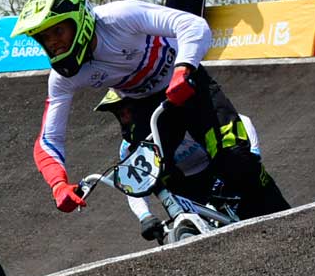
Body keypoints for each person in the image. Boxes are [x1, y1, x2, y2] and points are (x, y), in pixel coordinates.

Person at [12, 0, 288, 220]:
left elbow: (192, 25)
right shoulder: (63, 77)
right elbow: (48, 139)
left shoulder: (121, 16)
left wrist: (184, 68)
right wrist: (58, 184)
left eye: (58, 31)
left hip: (187, 83)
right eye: (44, 38)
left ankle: (282, 214)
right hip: (145, 107)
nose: (53, 44)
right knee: (154, 181)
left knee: (236, 160)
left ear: (80, 19)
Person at [93, 89, 264, 240]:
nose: (125, 119)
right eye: (120, 115)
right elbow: (134, 187)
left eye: (127, 112)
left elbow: (241, 121)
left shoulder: (184, 119)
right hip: (182, 187)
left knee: (260, 202)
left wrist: (251, 156)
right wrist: (145, 217)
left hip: (219, 170)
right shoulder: (130, 149)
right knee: (157, 181)